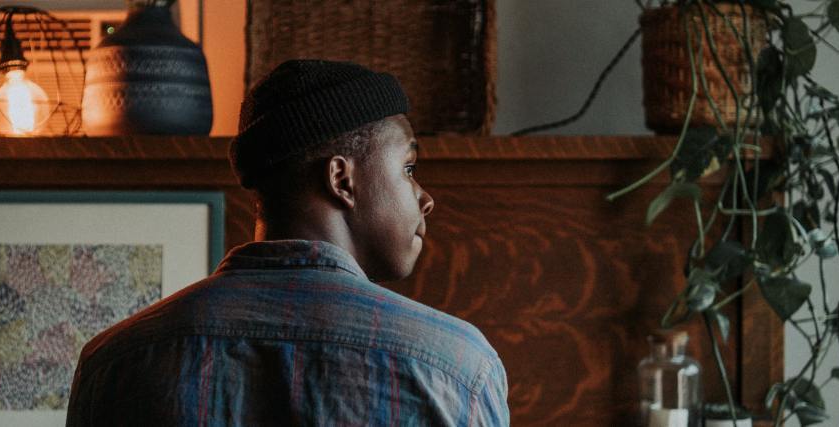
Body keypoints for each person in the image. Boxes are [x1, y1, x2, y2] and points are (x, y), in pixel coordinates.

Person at [66, 59, 509, 426]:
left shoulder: (115, 362)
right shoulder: (455, 369)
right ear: (342, 179)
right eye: (409, 169)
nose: (425, 198)